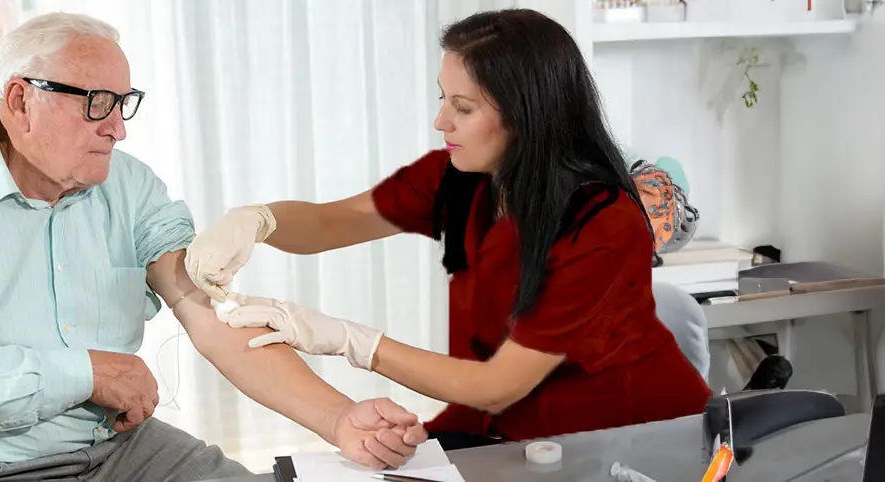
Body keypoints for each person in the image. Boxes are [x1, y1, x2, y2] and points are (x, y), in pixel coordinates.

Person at [0, 12, 426, 482]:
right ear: (20, 100)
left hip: (116, 452)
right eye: (97, 102)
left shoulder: (129, 183)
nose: (118, 127)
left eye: (124, 102)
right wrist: (84, 374)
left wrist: (339, 419)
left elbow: (211, 316)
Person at [184, 9, 714, 451]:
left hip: (633, 439)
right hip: (528, 433)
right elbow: (328, 223)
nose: (441, 121)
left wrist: (347, 339)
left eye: (461, 107)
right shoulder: (463, 180)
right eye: (443, 98)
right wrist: (257, 220)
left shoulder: (602, 223)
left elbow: (498, 386)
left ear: (527, 115)